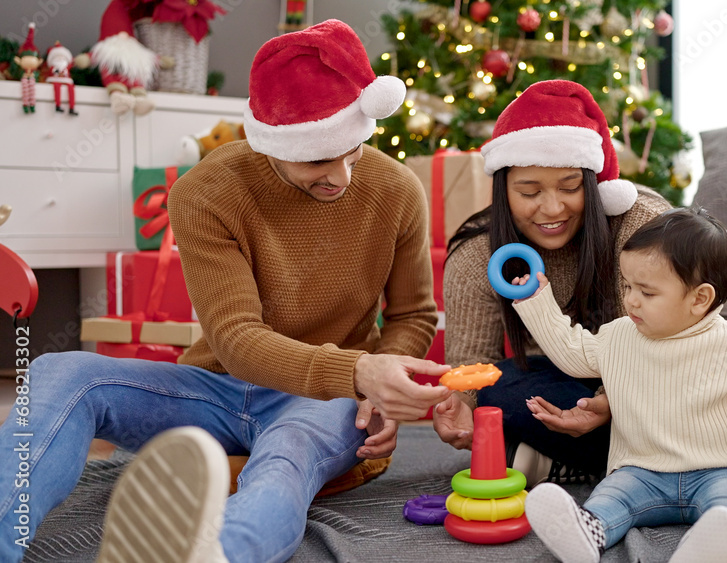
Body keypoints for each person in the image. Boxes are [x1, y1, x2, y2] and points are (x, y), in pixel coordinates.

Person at [0, 20, 453, 563]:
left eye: (353, 151)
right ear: (270, 144)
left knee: (288, 454)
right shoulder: (207, 191)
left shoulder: (397, 190)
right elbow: (237, 340)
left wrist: (376, 387)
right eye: (316, 160)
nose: (341, 177)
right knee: (60, 372)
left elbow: (413, 315)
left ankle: (220, 554)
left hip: (325, 399)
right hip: (214, 388)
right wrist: (358, 371)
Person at [434, 80, 727, 513]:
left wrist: (615, 398)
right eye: (529, 192)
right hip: (562, 379)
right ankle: (726, 470)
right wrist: (462, 405)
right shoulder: (478, 253)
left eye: (570, 187)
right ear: (502, 188)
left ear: (593, 180)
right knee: (499, 392)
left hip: (668, 377)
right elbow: (472, 366)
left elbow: (701, 334)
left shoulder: (641, 222)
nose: (552, 209)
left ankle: (565, 464)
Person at [514, 206, 727, 563]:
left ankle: (713, 545)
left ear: (699, 299)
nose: (630, 299)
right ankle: (588, 530)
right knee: (611, 495)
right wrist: (536, 302)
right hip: (641, 469)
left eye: (646, 292)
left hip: (722, 469)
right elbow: (571, 351)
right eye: (627, 285)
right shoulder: (619, 336)